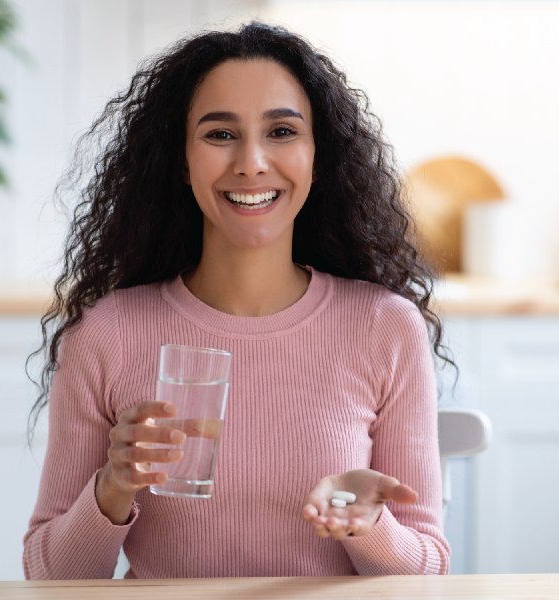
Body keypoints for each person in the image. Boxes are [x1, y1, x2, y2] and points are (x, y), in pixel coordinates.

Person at [23, 21, 452, 579]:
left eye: (281, 132)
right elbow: (49, 576)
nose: (251, 162)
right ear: (181, 160)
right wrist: (113, 486)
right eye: (220, 134)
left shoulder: (383, 327)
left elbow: (431, 572)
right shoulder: (107, 334)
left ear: (317, 157)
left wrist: (367, 523)